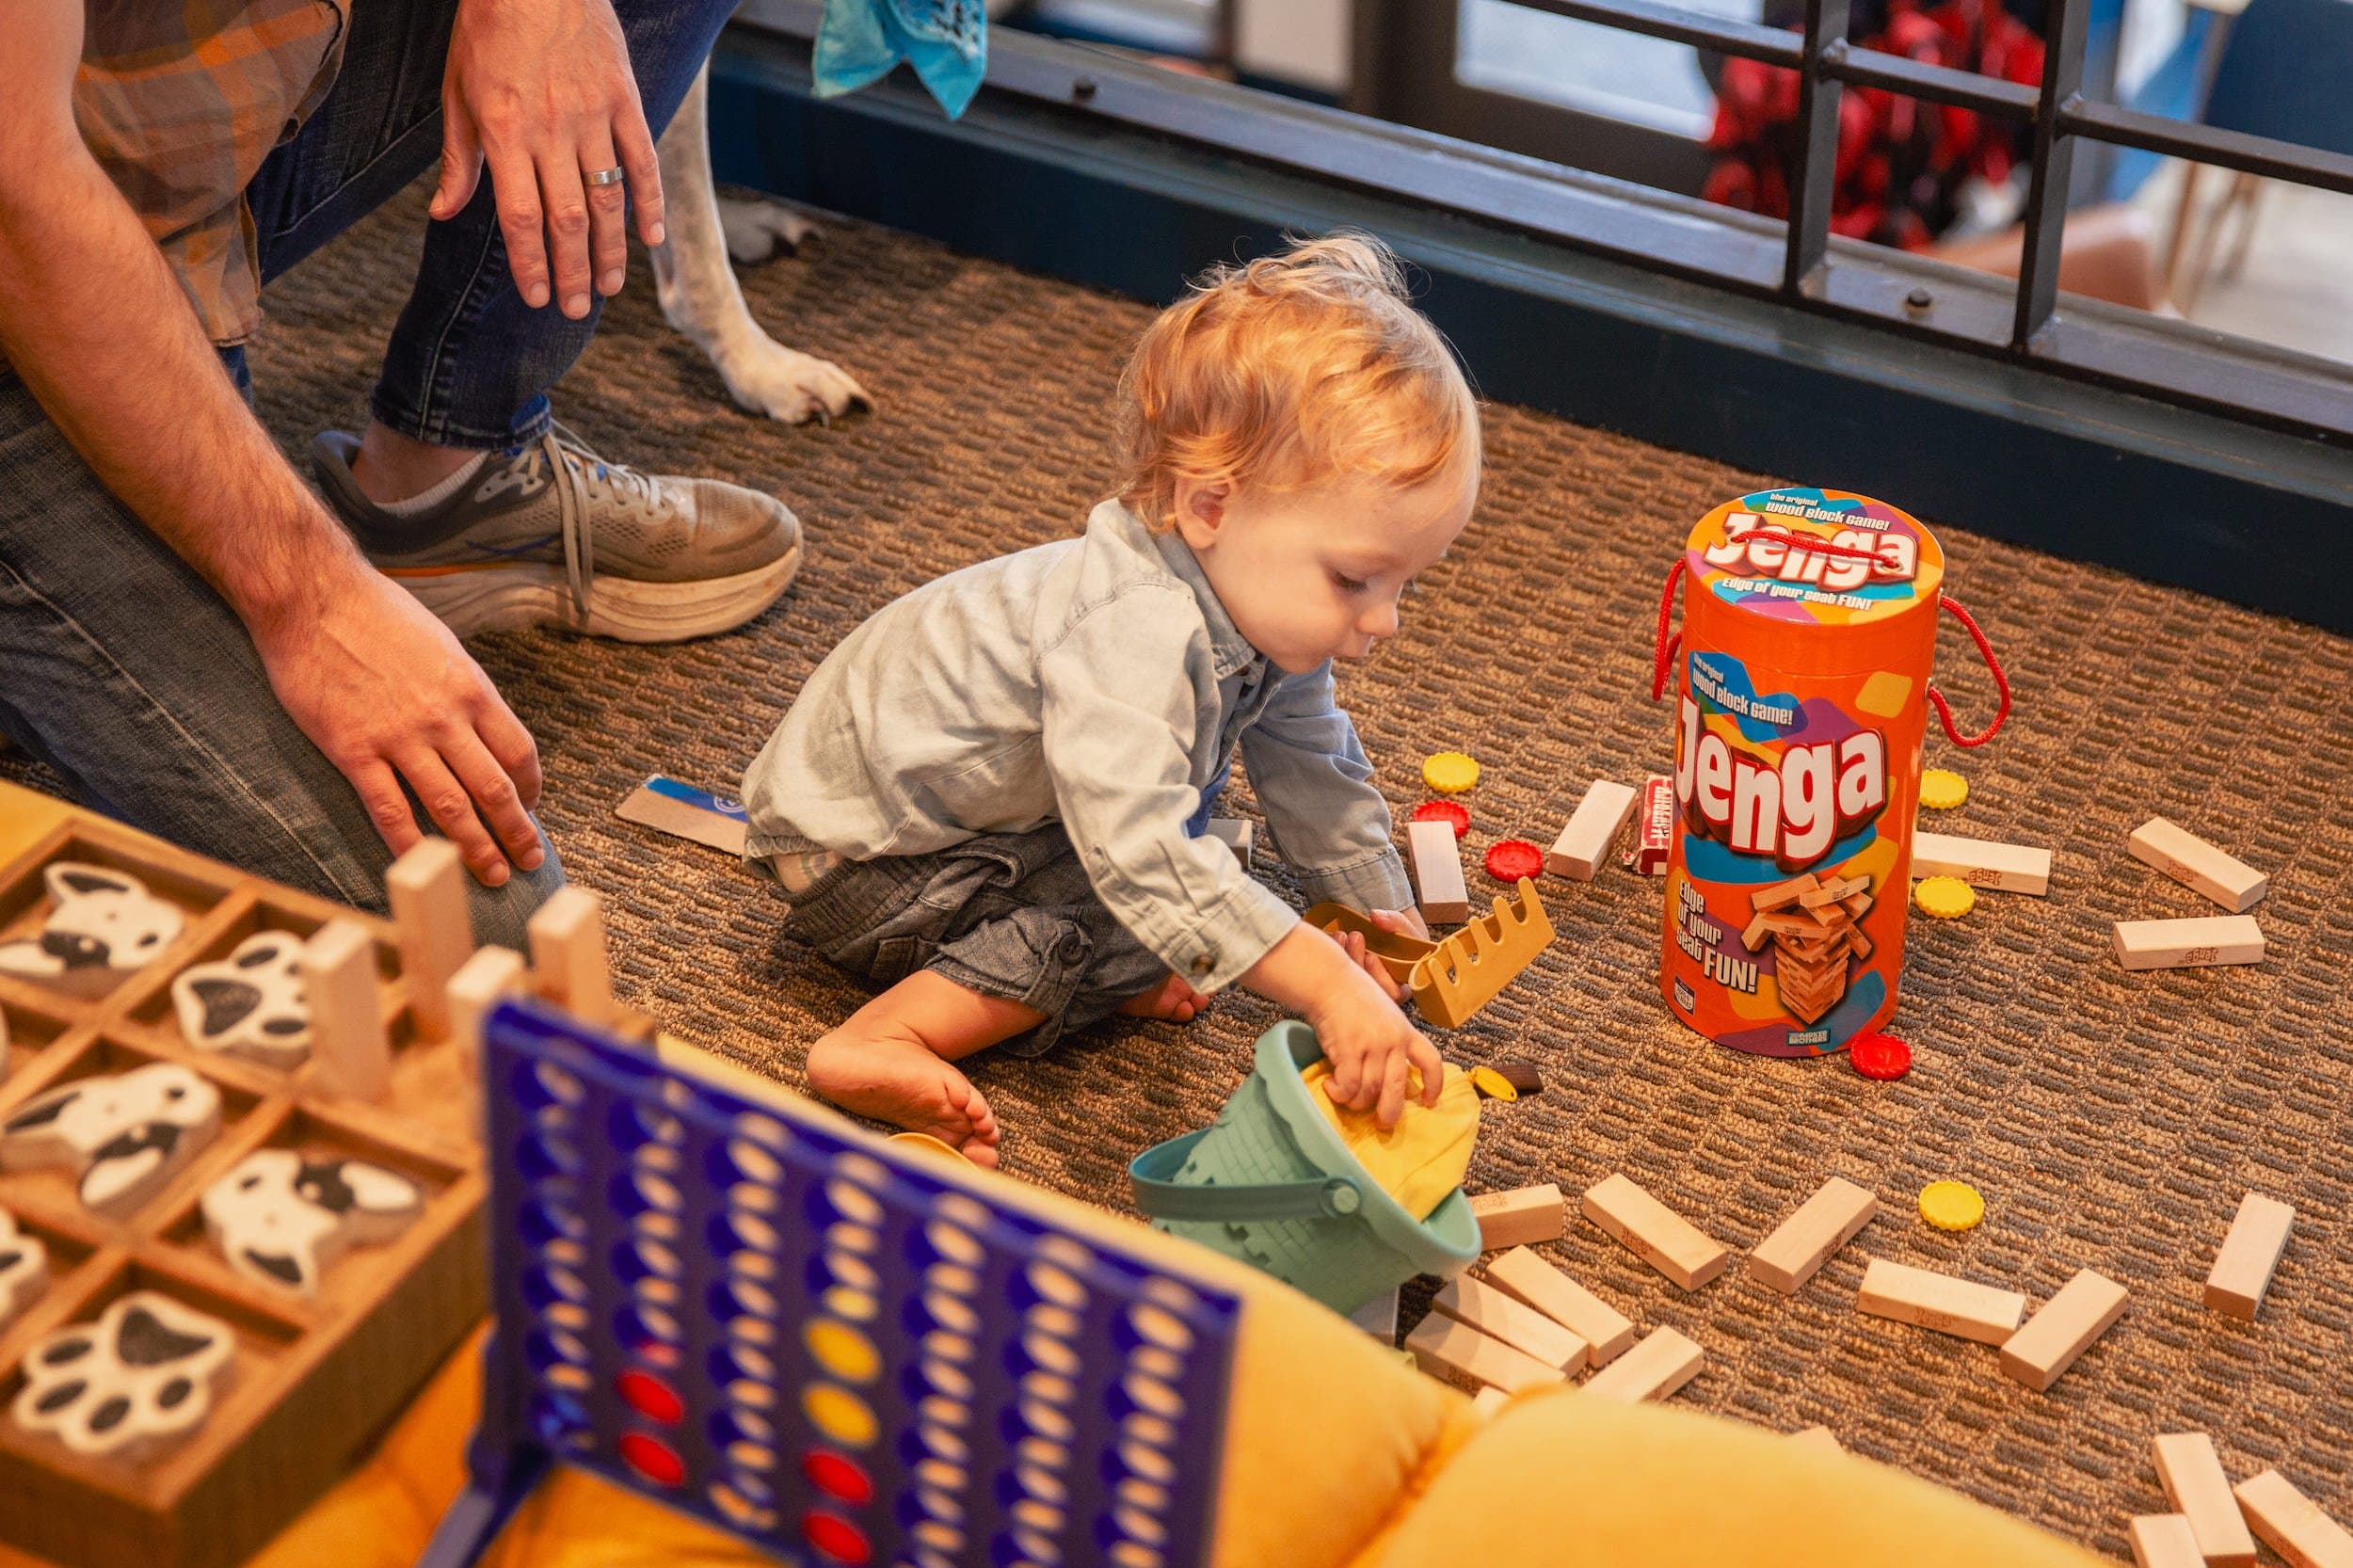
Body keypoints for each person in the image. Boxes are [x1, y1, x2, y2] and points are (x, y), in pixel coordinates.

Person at [0, 0, 803, 949]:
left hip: (152, 142)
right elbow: (19, 193)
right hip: (29, 235)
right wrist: (314, 599)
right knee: (475, 929)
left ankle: (440, 484)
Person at [740, 233, 1481, 1166]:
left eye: (1404, 583)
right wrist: (1329, 988)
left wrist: (1370, 913)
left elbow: (1312, 768)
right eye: (1354, 580)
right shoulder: (1134, 627)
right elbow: (1139, 850)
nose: (1387, 622)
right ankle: (884, 1036)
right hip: (859, 860)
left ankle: (1090, 972)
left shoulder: (1254, 603)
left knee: (1202, 897)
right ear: (1209, 506)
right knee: (1143, 893)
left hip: (968, 821)